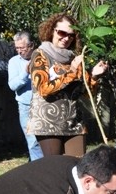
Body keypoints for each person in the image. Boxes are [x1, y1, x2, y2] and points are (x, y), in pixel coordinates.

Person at [28, 12, 109, 157]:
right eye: (62, 32)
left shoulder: (74, 58)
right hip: (48, 124)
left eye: (71, 35)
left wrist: (95, 76)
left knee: (77, 167)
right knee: (56, 170)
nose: (66, 38)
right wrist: (71, 71)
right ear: (52, 30)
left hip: (74, 122)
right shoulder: (40, 55)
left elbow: (86, 93)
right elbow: (43, 88)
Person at [7, 32, 43, 161]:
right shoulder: (14, 62)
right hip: (26, 107)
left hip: (45, 105)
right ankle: (38, 170)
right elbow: (12, 85)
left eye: (22, 48)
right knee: (33, 142)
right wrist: (25, 73)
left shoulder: (42, 58)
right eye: (17, 48)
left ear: (31, 45)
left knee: (47, 141)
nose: (19, 51)